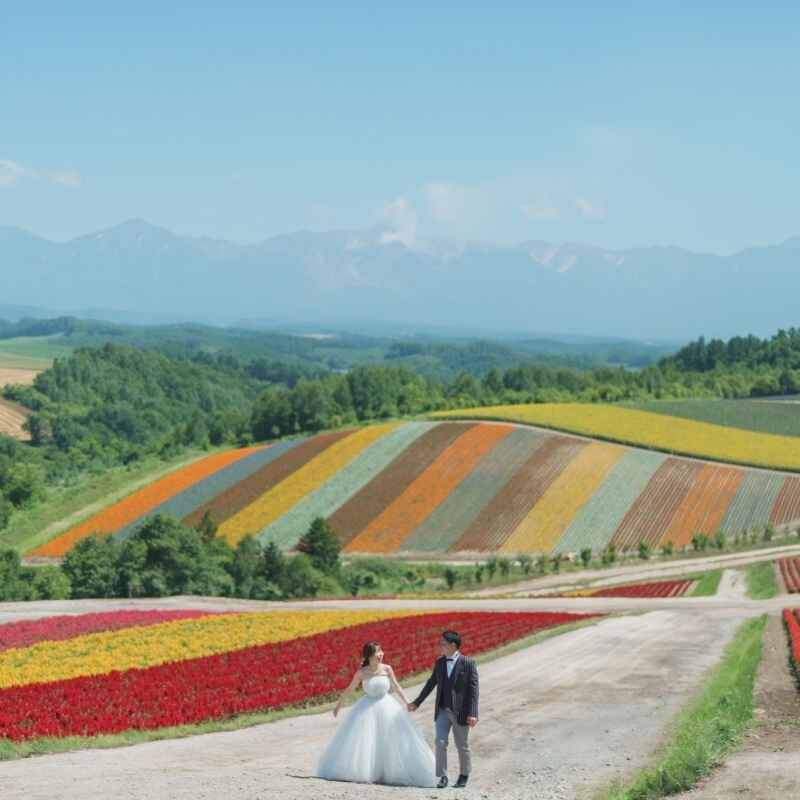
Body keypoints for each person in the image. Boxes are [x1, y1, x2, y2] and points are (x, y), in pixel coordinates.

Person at [317, 641, 436, 787]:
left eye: (381, 651)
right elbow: (349, 689)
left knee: (391, 739)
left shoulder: (387, 668)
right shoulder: (362, 672)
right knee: (368, 741)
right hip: (366, 709)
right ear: (369, 656)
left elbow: (397, 687)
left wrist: (407, 702)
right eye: (377, 652)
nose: (381, 654)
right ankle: (369, 771)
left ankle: (388, 772)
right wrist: (338, 706)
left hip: (387, 706)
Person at [408, 630, 479, 789]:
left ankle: (464, 774)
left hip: (461, 712)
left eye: (443, 644)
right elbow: (431, 683)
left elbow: (473, 690)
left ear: (453, 645)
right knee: (440, 742)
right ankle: (443, 776)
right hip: (442, 710)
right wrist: (417, 702)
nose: (440, 646)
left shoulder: (468, 663)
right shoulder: (440, 662)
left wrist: (473, 713)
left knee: (462, 745)